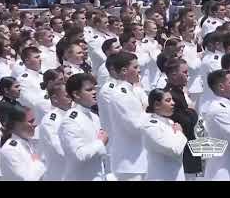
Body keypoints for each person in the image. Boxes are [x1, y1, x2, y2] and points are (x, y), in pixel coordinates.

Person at [58, 73, 109, 181]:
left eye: (94, 89)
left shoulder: (93, 116)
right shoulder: (70, 120)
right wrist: (100, 142)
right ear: (76, 94)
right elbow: (79, 155)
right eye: (89, 90)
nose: (94, 92)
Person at [107, 51, 148, 181]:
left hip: (138, 159)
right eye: (135, 67)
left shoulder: (132, 90)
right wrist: (149, 114)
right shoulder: (121, 94)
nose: (139, 70)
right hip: (130, 162)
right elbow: (135, 126)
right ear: (124, 71)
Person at [142, 89, 188, 181]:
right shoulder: (151, 126)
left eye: (172, 100)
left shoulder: (170, 122)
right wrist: (179, 133)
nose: (173, 103)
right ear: (157, 105)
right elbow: (174, 149)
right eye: (168, 100)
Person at [0, 103, 45, 181]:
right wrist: (37, 163)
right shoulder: (10, 149)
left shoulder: (29, 143)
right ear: (17, 124)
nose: (34, 124)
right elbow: (27, 179)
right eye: (30, 121)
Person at [39, 82, 73, 181]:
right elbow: (58, 148)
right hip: (60, 174)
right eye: (67, 96)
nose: (71, 99)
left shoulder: (73, 114)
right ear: (54, 99)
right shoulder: (50, 121)